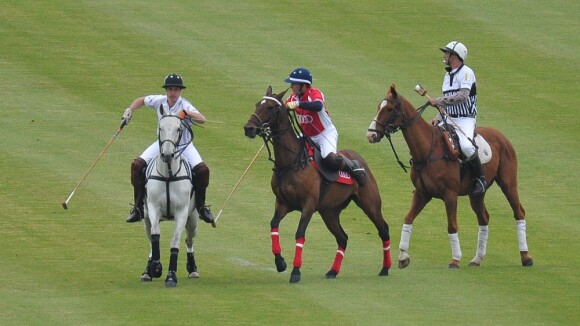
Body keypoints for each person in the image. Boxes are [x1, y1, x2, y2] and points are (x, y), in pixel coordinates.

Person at [121, 73, 215, 223]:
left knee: (203, 170)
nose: (173, 93)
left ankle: (201, 207)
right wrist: (130, 110)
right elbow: (142, 100)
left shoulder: (185, 105)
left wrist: (187, 113)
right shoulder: (159, 101)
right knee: (136, 165)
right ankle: (138, 208)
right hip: (163, 145)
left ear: (180, 91)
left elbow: (202, 119)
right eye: (170, 89)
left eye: (176, 90)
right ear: (166, 90)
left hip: (184, 145)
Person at [283, 67, 365, 186]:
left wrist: (298, 104)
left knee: (329, 158)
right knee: (291, 152)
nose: (291, 86)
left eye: (294, 84)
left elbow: (318, 105)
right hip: (306, 135)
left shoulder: (315, 93)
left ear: (303, 85)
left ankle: (353, 166)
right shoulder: (293, 97)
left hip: (325, 134)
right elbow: (284, 107)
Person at [429, 41, 486, 195]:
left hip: (465, 118)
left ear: (455, 56)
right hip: (448, 117)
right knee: (431, 140)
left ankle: (480, 178)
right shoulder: (448, 75)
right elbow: (448, 100)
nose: (444, 56)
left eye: (447, 53)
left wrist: (438, 100)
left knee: (467, 147)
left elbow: (462, 96)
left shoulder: (467, 72)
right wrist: (438, 117)